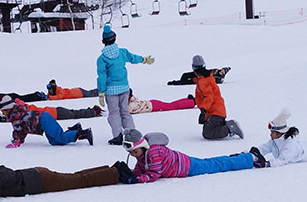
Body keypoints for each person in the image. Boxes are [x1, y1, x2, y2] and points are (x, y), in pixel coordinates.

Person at [0, 148, 119, 202]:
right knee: (77, 177)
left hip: (41, 181)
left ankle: (115, 173)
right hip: (35, 174)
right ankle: (111, 170)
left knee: (79, 180)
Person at [117, 128, 259, 184]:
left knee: (216, 165)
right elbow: (141, 166)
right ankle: (239, 157)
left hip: (186, 168)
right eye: (131, 153)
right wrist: (133, 174)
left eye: (135, 152)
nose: (134, 156)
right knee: (213, 162)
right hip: (183, 162)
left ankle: (248, 159)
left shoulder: (154, 152)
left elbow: (154, 174)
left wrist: (136, 179)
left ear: (143, 146)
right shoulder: (143, 154)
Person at [96, 25, 154, 145]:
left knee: (114, 113)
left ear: (103, 41)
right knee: (125, 112)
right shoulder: (122, 52)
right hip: (124, 88)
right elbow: (133, 58)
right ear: (114, 38)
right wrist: (144, 59)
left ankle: (118, 136)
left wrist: (101, 92)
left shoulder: (102, 59)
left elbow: (102, 76)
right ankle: (132, 134)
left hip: (110, 91)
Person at [0, 96, 93, 147]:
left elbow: (19, 131)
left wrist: (16, 142)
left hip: (44, 120)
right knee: (54, 141)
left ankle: (83, 133)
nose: (3, 114)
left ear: (8, 109)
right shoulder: (17, 112)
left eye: (3, 112)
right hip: (43, 120)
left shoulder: (16, 117)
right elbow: (22, 129)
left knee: (60, 138)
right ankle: (75, 128)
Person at [188, 55, 242, 140]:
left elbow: (209, 96)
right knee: (208, 129)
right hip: (217, 110)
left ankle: (229, 128)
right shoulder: (208, 78)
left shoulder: (203, 82)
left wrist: (203, 111)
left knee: (208, 133)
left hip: (215, 112)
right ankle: (225, 125)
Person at [129, 91, 195, 114]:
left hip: (154, 107)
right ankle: (188, 100)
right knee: (172, 104)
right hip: (152, 103)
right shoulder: (133, 100)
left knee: (172, 106)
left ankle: (192, 102)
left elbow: (127, 110)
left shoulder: (130, 106)